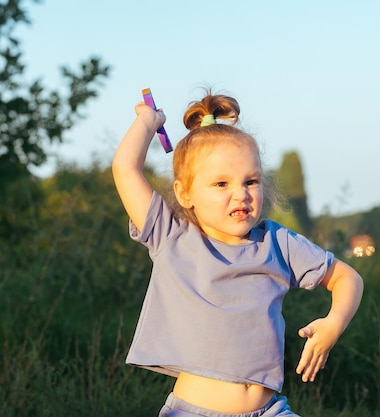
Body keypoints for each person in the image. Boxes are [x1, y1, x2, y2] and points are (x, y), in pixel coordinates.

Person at [112, 88, 364, 417]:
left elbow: (347, 277)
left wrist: (334, 323)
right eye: (221, 184)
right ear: (184, 192)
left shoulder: (277, 243)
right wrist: (148, 121)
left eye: (251, 182)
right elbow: (125, 169)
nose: (240, 195)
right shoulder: (171, 235)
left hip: (270, 410)